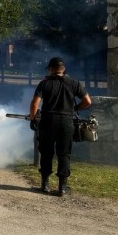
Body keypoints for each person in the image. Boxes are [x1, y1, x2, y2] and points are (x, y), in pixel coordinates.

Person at [28, 57, 92, 196]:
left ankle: (45, 185)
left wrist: (33, 119)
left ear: (51, 69)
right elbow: (87, 101)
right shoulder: (75, 83)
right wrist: (74, 109)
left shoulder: (44, 83)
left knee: (46, 153)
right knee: (64, 154)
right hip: (66, 122)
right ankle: (62, 188)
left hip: (48, 121)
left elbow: (34, 104)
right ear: (64, 70)